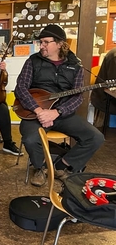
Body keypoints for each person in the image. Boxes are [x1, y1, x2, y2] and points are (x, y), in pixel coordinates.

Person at [14, 24, 104, 187]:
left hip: (62, 113)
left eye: (46, 42)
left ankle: (61, 166)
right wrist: (39, 110)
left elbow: (78, 96)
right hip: (35, 111)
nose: (41, 46)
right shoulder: (33, 61)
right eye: (41, 42)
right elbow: (21, 88)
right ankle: (40, 167)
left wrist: (57, 112)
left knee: (95, 137)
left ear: (60, 43)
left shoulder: (75, 65)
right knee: (30, 138)